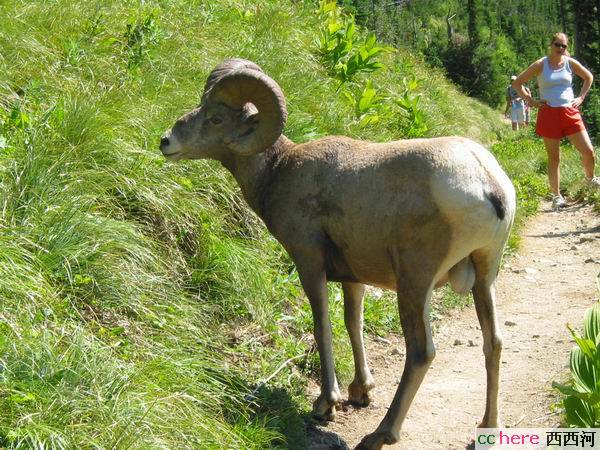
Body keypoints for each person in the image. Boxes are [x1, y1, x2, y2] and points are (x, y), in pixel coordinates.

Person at [512, 32, 600, 210]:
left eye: (564, 46)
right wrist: (531, 101)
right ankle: (556, 196)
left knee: (588, 151)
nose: (560, 48)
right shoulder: (540, 64)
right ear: (551, 45)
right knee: (554, 158)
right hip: (548, 113)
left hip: (570, 111)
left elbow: (588, 77)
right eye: (557, 45)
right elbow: (518, 83)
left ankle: (590, 180)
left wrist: (581, 97)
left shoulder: (569, 63)